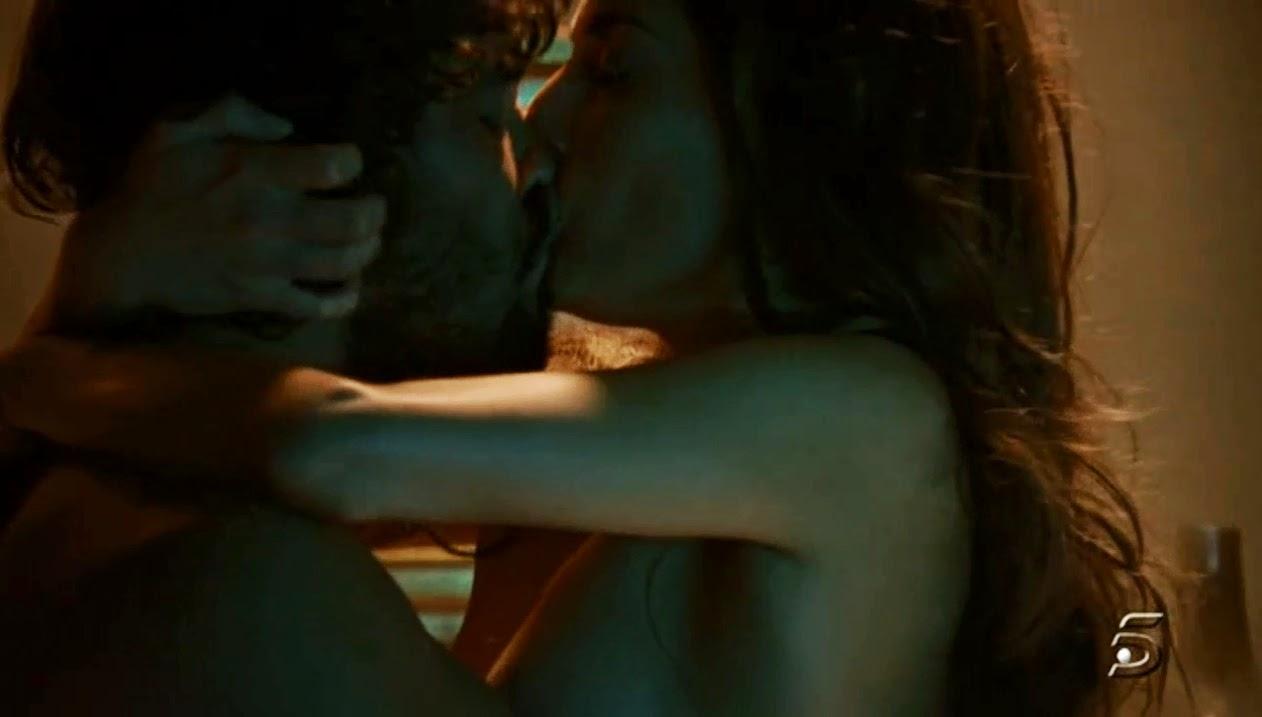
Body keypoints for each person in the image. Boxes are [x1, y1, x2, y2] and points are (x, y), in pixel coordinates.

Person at [1, 0, 1174, 716]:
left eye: (609, 69)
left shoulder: (869, 412)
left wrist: (54, 352)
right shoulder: (623, 477)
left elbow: (329, 442)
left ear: (797, 115)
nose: (545, 126)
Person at [0, 0, 573, 714]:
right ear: (291, 165)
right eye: (487, 119)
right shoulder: (249, 594)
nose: (541, 165)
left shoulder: (67, 493)